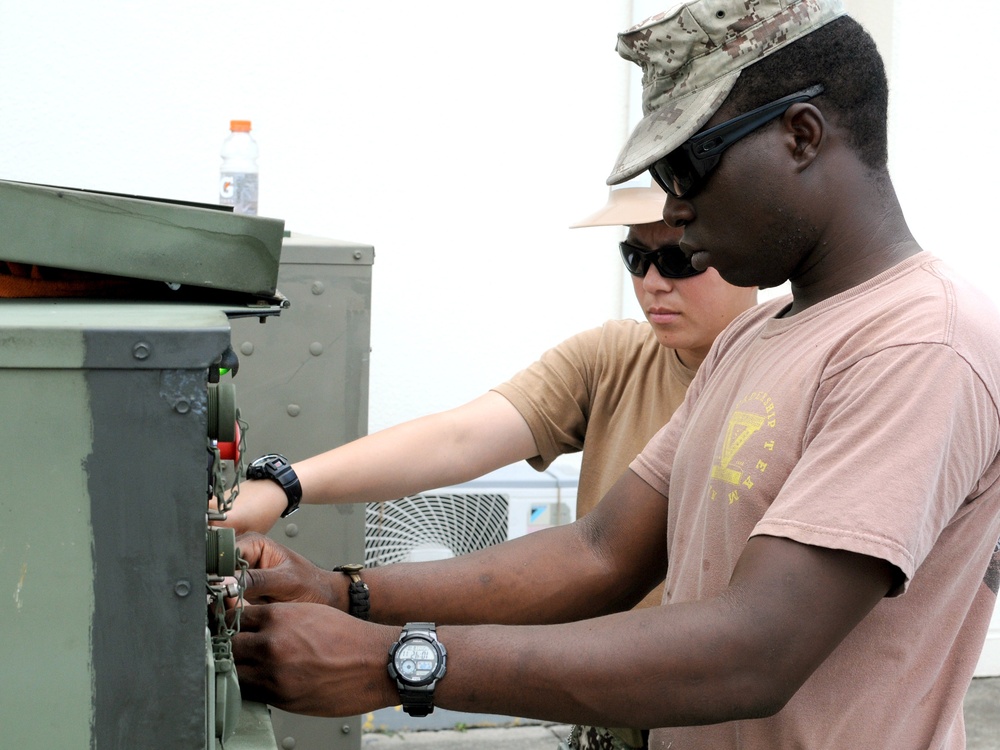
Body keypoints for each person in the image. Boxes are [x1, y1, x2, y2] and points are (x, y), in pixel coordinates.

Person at [231, 1, 1000, 747]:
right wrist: (345, 594)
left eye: (687, 165)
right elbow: (601, 552)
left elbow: (756, 649)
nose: (675, 206)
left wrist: (398, 664)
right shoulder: (758, 337)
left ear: (802, 134)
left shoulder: (919, 344)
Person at [225, 181, 756, 750]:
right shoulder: (616, 359)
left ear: (744, 249)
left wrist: (358, 618)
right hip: (612, 720)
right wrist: (284, 484)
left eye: (678, 257)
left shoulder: (785, 383)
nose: (653, 282)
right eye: (636, 257)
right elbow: (459, 438)